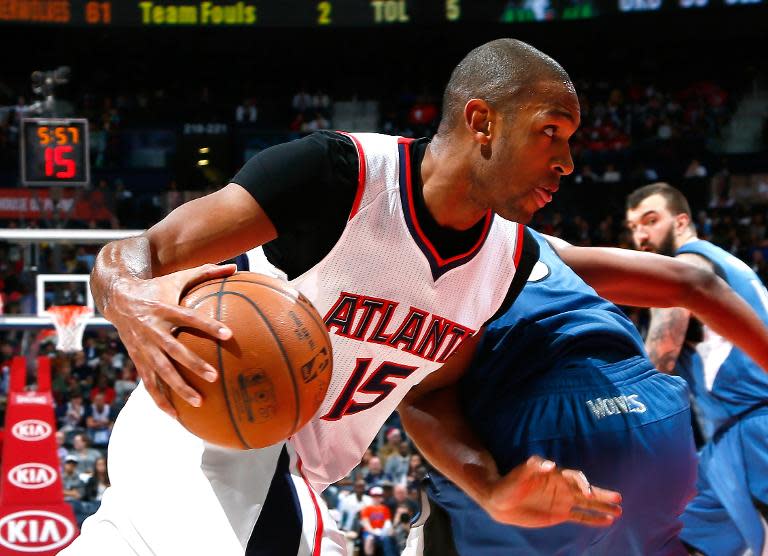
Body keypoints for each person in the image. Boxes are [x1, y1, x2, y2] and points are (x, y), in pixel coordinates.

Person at [67, 39, 619, 556]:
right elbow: (145, 251)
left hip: (288, 476)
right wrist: (127, 299)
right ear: (483, 122)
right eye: (552, 131)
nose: (568, 161)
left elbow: (426, 394)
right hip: (211, 434)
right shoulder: (337, 176)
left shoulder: (508, 261)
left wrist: (491, 488)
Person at [401, 228, 768, 555]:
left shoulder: (418, 256)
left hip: (542, 428)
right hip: (657, 416)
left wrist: (489, 491)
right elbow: (695, 283)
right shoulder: (537, 243)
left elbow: (424, 397)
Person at [626, 183, 768, 556]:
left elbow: (656, 366)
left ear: (682, 221)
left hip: (752, 430)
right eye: (634, 227)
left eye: (650, 221)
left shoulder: (683, 267)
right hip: (722, 442)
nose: (640, 235)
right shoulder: (727, 262)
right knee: (678, 535)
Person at [359, 487, 397, 556]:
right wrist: (373, 531)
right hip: (369, 532)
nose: (376, 498)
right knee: (369, 539)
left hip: (382, 532)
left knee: (388, 538)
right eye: (374, 496)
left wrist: (387, 530)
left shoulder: (385, 509)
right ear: (371, 496)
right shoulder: (366, 509)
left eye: (379, 496)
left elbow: (387, 522)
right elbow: (366, 523)